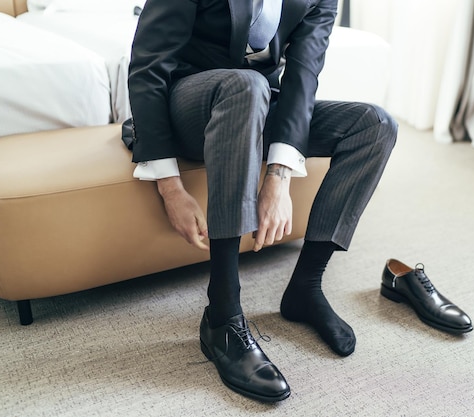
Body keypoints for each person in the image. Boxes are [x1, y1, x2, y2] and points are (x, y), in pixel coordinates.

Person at [125, 0, 397, 403]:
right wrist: (171, 187)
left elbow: (304, 75)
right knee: (245, 86)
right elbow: (148, 65)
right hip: (187, 104)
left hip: (259, 103)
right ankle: (222, 316)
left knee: (374, 124)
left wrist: (279, 175)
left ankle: (305, 289)